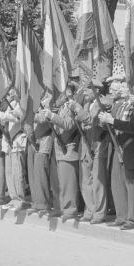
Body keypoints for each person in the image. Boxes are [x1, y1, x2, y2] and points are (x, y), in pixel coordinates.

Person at [98, 75, 134, 230]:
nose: (121, 89)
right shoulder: (120, 104)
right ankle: (123, 215)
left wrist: (112, 121)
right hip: (119, 146)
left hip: (132, 147)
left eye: (124, 87)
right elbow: (114, 126)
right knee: (119, 183)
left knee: (132, 185)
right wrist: (105, 122)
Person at [42, 82, 81, 222]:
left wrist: (53, 117)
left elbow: (69, 125)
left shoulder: (73, 106)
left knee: (68, 183)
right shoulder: (62, 106)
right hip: (58, 147)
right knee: (58, 182)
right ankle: (60, 207)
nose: (61, 94)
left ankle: (70, 210)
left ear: (71, 92)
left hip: (68, 148)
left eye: (65, 91)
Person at [72, 83, 110, 225]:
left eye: (88, 89)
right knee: (85, 178)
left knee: (97, 180)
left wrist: (78, 109)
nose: (85, 91)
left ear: (97, 90)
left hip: (98, 142)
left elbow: (91, 120)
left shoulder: (103, 102)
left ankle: (99, 212)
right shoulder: (86, 103)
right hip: (86, 142)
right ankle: (90, 209)